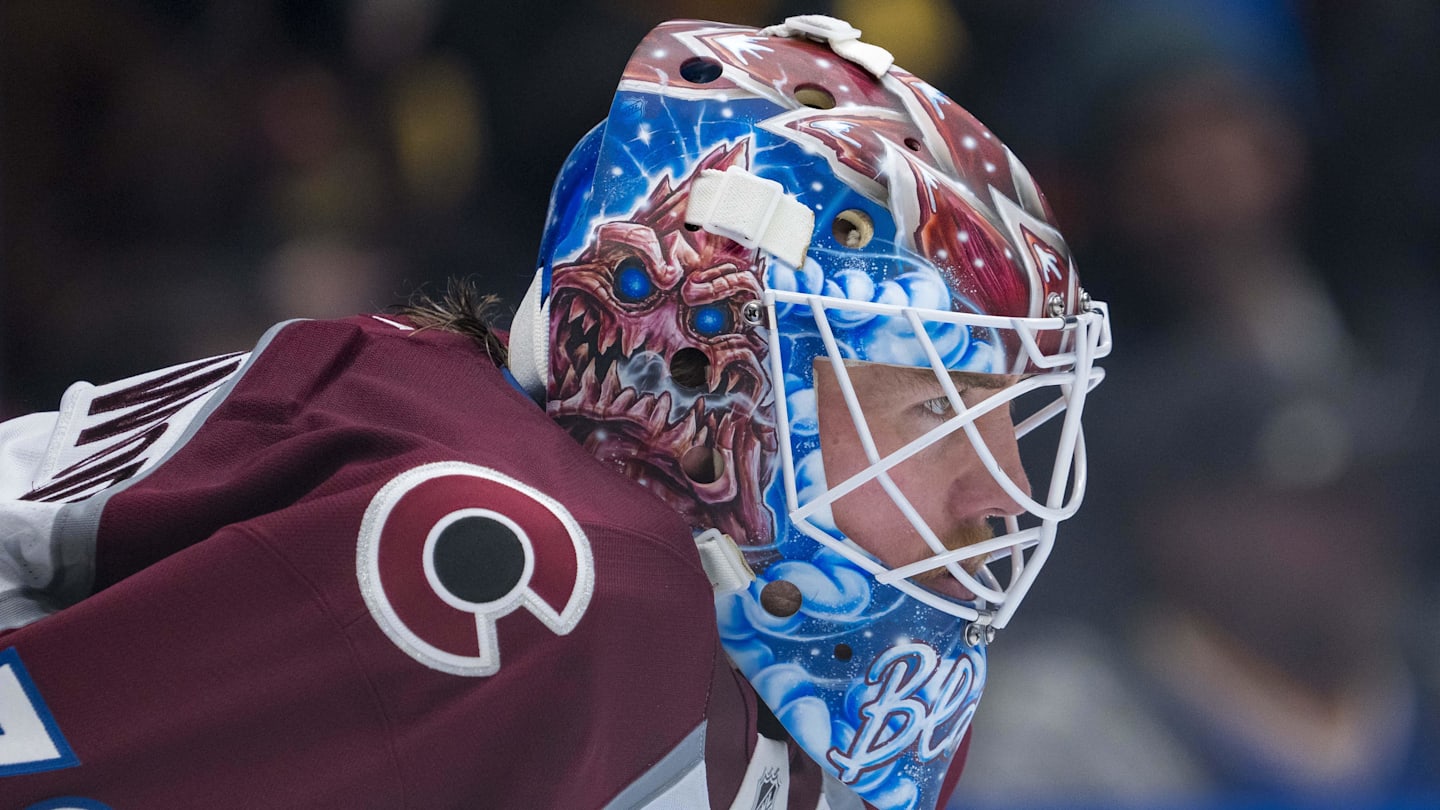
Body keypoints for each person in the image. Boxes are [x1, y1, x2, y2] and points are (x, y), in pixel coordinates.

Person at [0, 16, 1110, 810]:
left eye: (1013, 417)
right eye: (930, 407)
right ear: (706, 367)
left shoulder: (834, 693)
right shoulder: (535, 572)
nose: (997, 496)